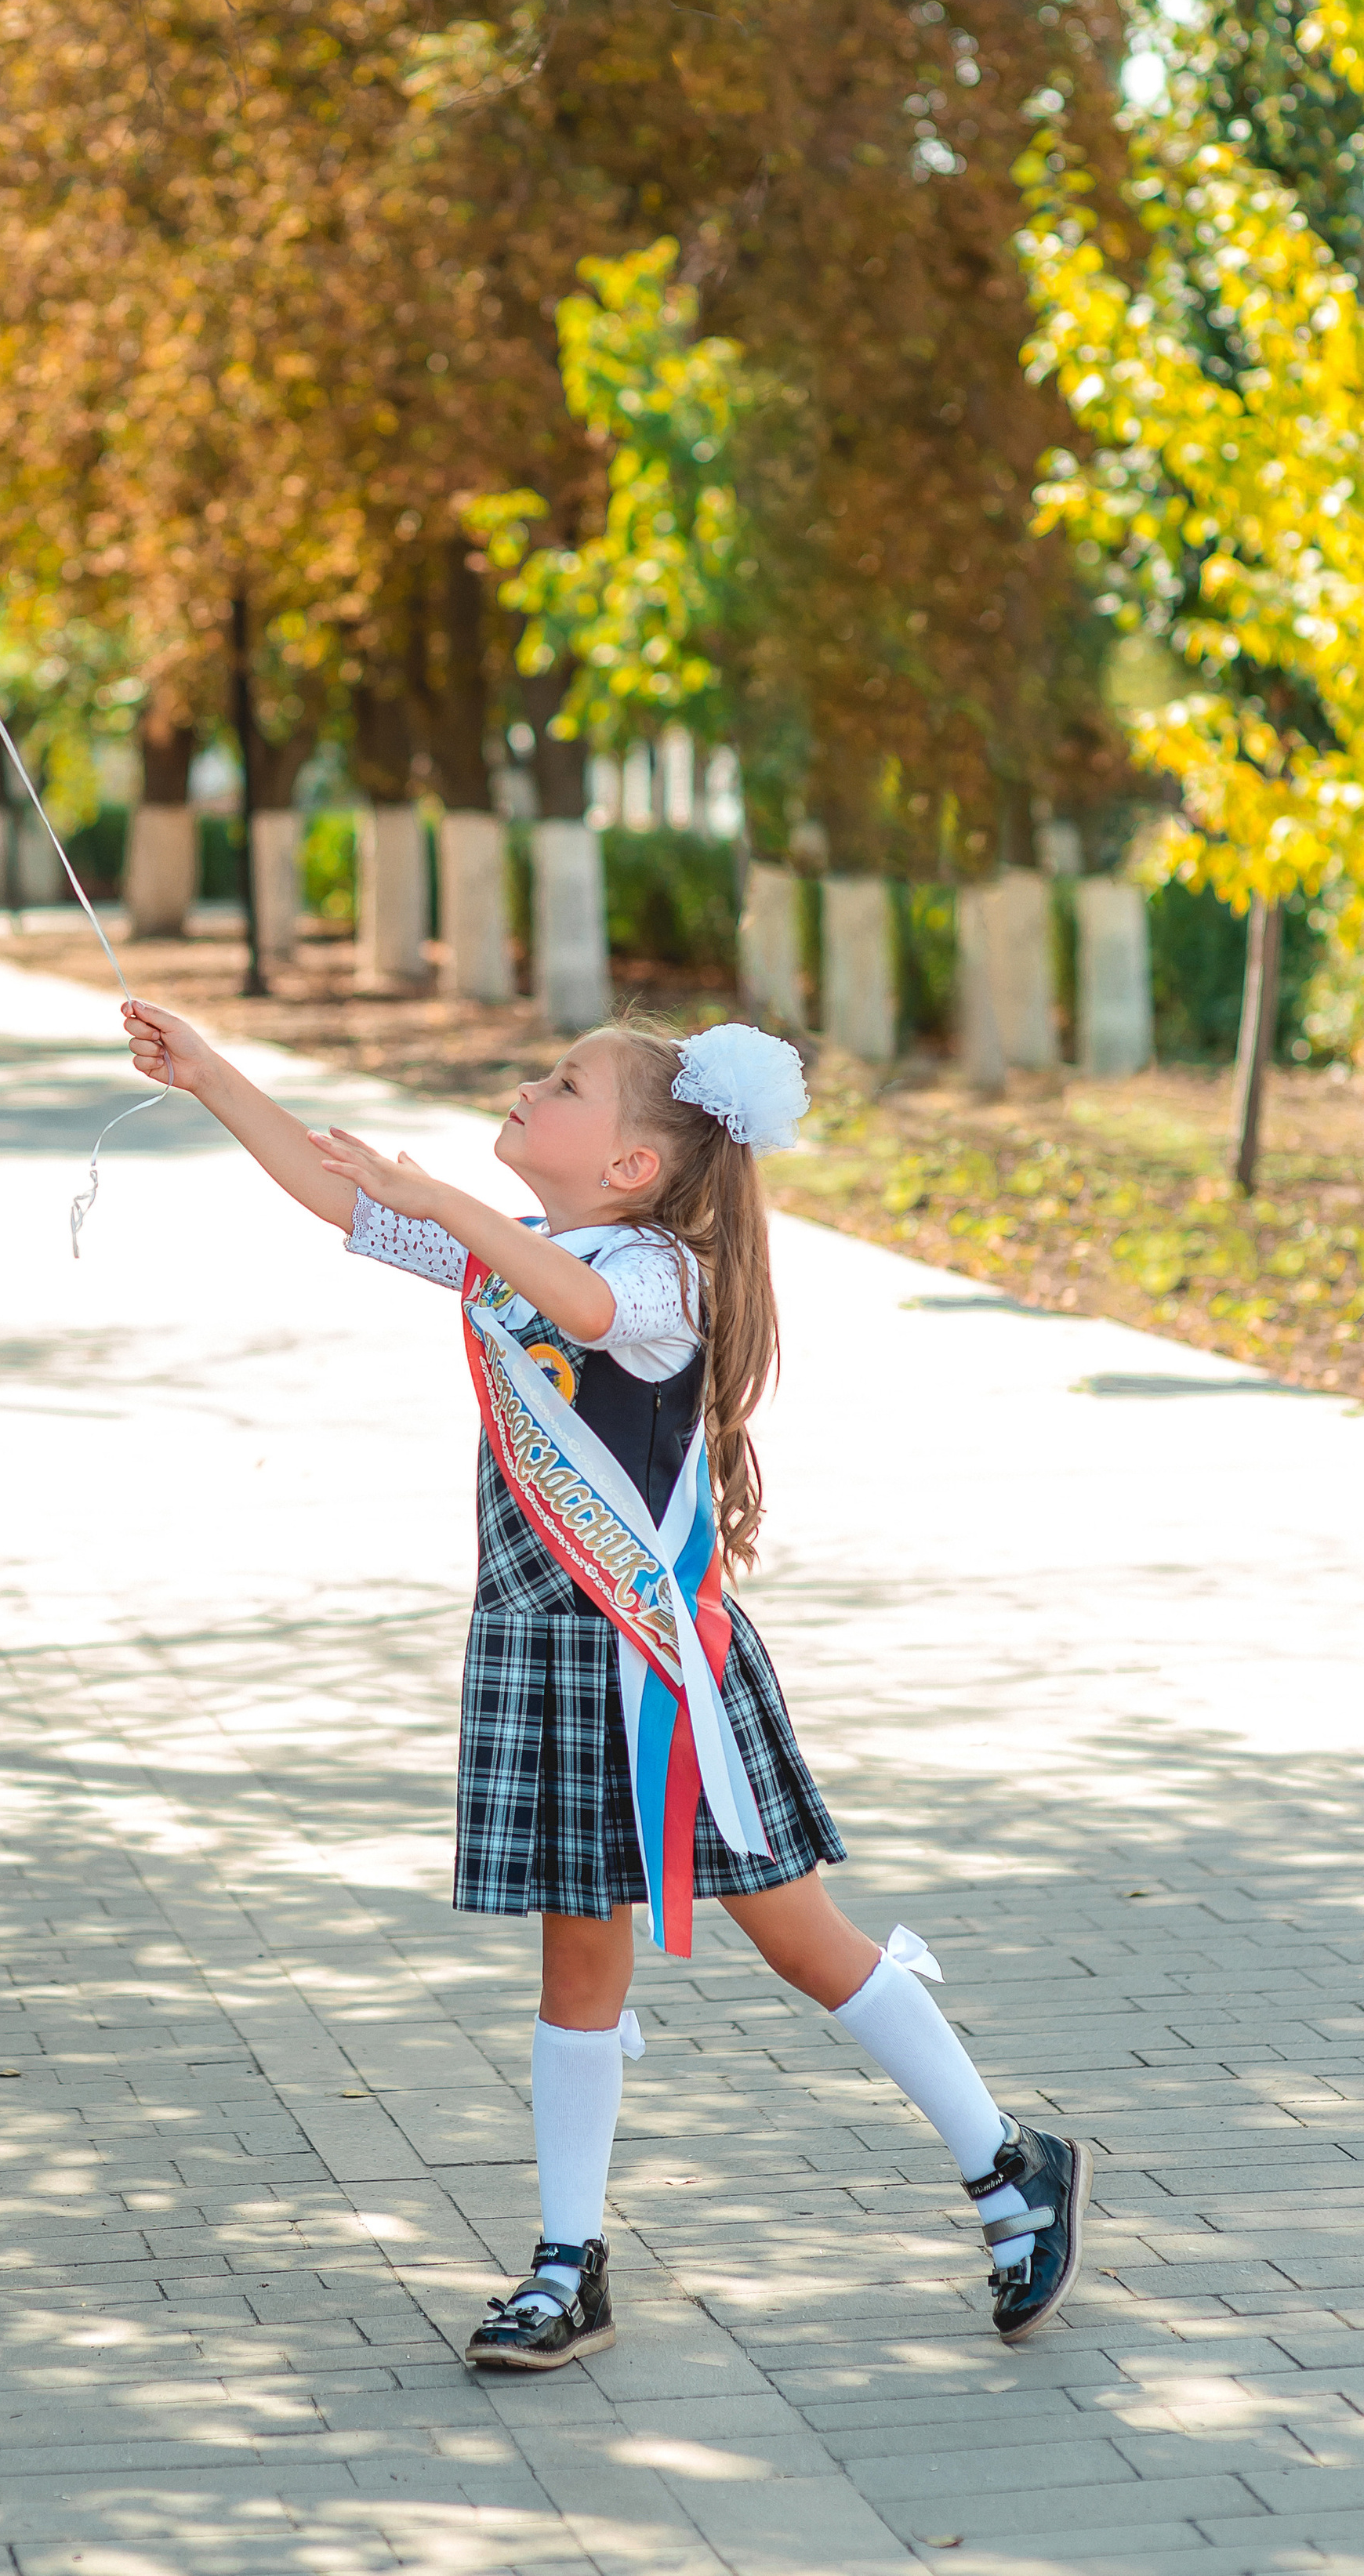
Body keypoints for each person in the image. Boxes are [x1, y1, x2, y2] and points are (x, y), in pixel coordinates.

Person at [121, 998, 1092, 2365]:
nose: (529, 1083)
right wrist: (210, 1071)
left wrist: (443, 1198)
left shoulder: (655, 1274)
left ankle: (1009, 2160)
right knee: (574, 1956)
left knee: (801, 1938)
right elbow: (331, 1194)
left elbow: (577, 1304)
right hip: (542, 1648)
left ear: (632, 1166)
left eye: (564, 1081)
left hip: (655, 1662)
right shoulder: (513, 1252)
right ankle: (568, 2259)